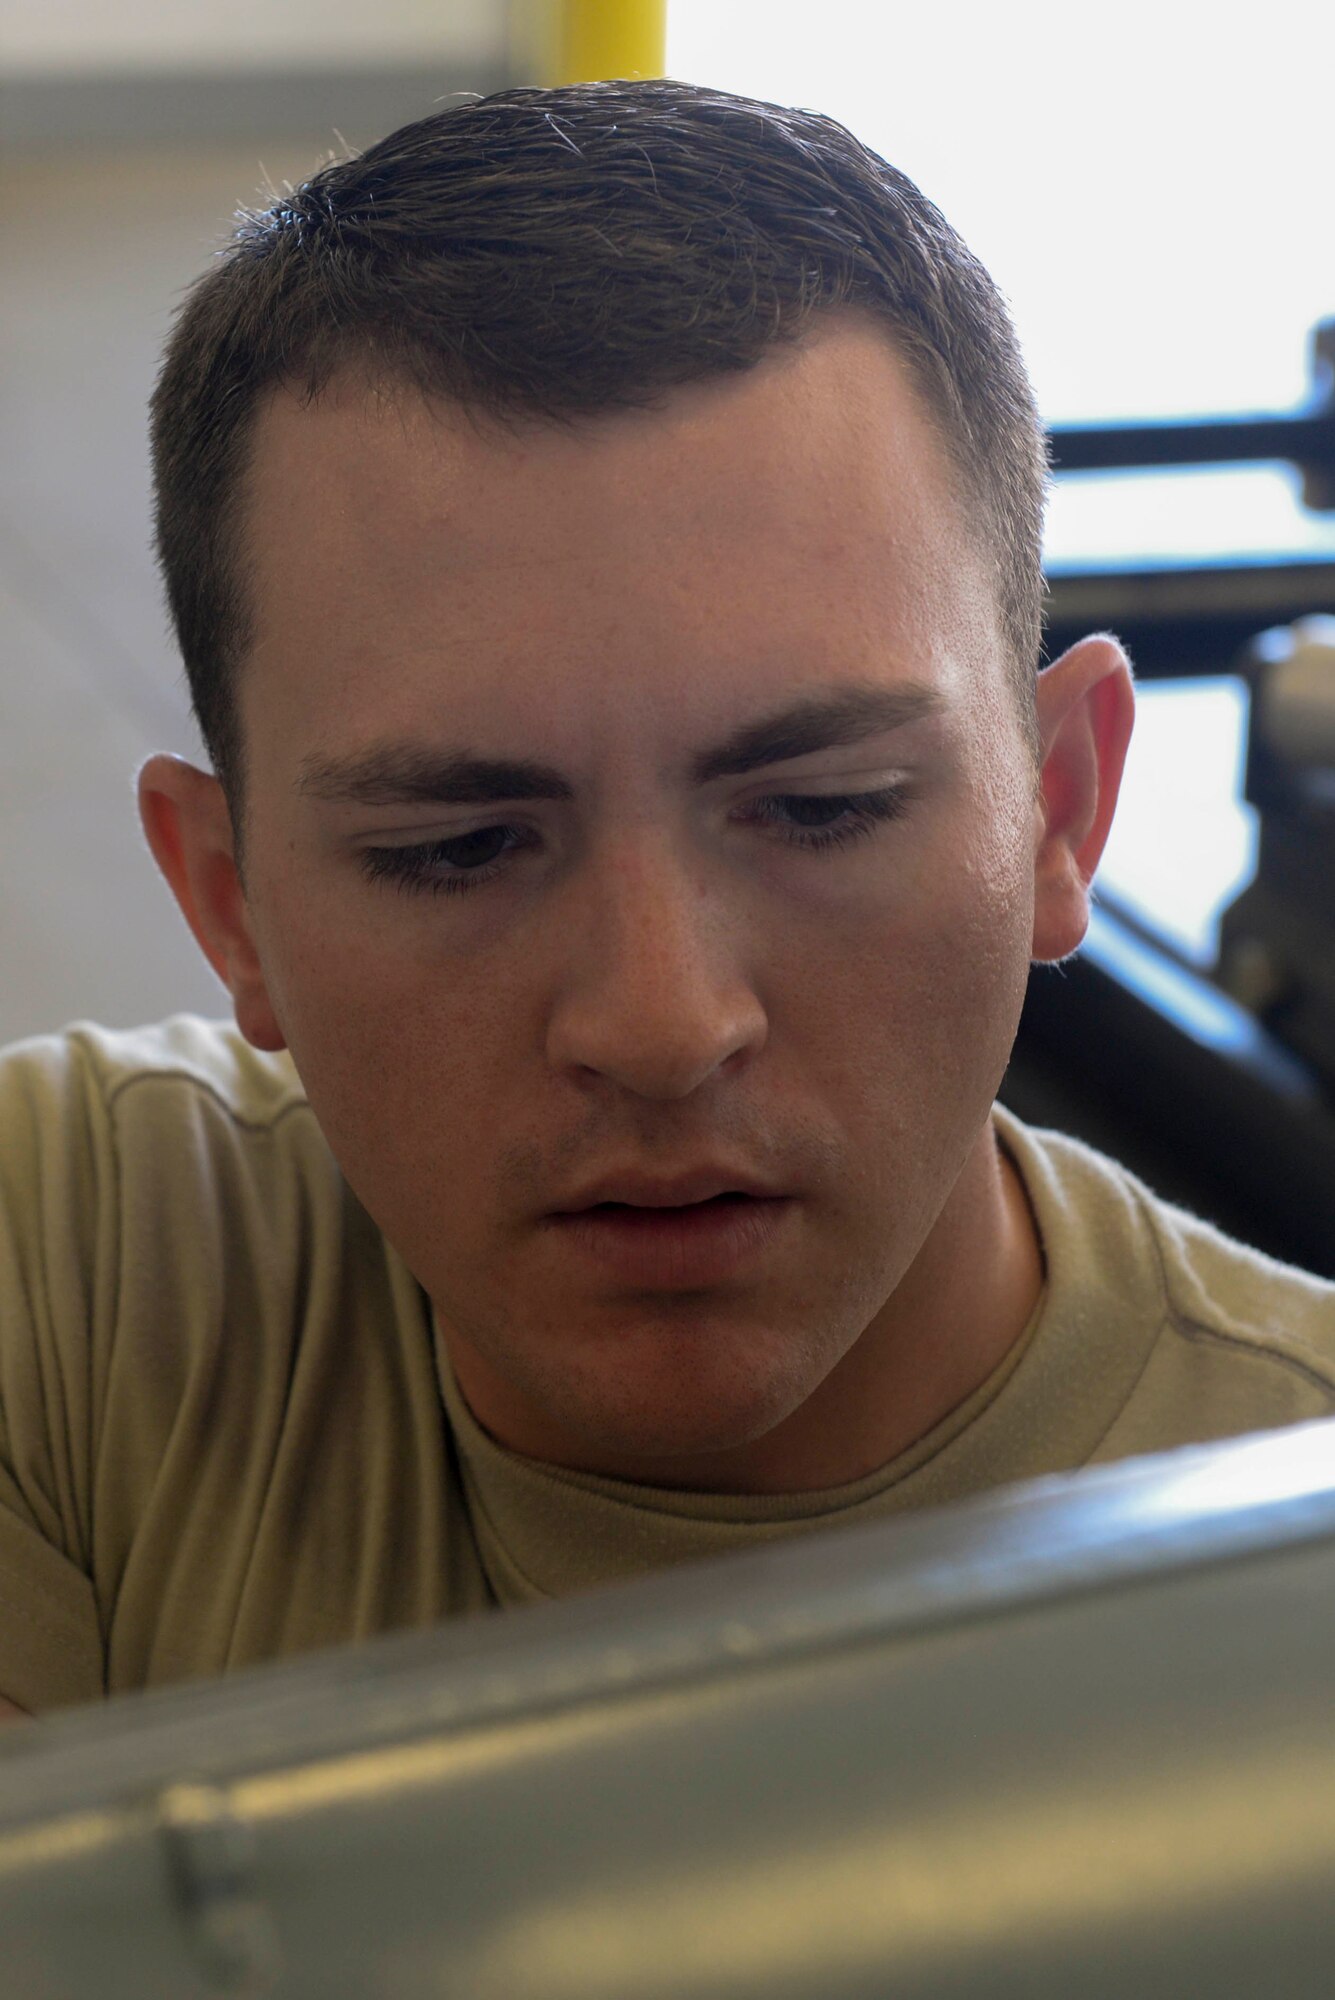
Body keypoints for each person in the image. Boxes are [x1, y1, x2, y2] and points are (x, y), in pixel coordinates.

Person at [2, 80, 1331, 1725]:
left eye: (822, 808)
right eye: (459, 847)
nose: (661, 1023)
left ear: (1061, 804)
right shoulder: (72, 1283)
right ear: (230, 901)